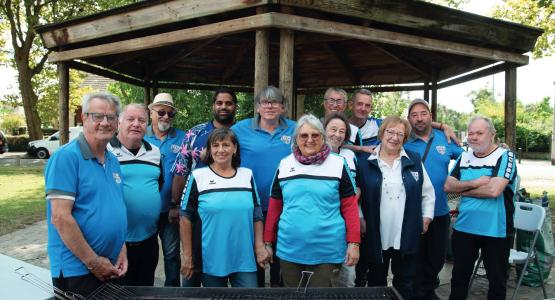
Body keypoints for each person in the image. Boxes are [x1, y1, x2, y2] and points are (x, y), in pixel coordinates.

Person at [45, 92, 127, 297]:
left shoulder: (112, 160)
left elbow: (115, 208)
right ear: (83, 118)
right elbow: (60, 218)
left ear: (117, 122)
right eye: (97, 116)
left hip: (110, 265)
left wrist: (121, 248)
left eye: (111, 117)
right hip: (79, 270)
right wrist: (93, 263)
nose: (105, 123)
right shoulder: (66, 157)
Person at [264, 114, 360, 287]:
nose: (310, 140)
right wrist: (267, 242)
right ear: (296, 139)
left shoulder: (338, 164)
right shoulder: (285, 165)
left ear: (323, 137)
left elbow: (350, 207)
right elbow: (274, 207)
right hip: (289, 249)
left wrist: (354, 243)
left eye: (315, 135)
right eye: (304, 135)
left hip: (327, 250)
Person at [357, 115, 435, 300]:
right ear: (382, 133)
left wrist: (426, 217)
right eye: (390, 132)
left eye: (400, 134)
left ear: (405, 138)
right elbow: (357, 199)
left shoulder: (414, 159)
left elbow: (428, 192)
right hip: (377, 234)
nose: (395, 137)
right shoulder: (366, 163)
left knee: (405, 283)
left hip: (406, 233)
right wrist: (360, 218)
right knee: (376, 282)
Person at [180, 128, 270, 287]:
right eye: (215, 145)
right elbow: (185, 217)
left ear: (234, 148)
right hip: (211, 260)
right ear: (209, 150)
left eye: (226, 145)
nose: (220, 150)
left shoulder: (247, 175)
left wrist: (259, 246)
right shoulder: (198, 176)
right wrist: (187, 256)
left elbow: (256, 215)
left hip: (244, 258)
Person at [445, 116, 517, 300]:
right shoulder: (464, 156)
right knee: (459, 279)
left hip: (495, 231)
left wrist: (464, 190)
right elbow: (448, 186)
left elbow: (494, 190)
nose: (474, 137)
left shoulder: (505, 156)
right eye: (471, 133)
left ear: (492, 135)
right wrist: (476, 182)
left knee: (497, 282)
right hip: (464, 228)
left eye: (479, 133)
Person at [171, 88, 237, 287]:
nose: (223, 107)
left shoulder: (241, 132)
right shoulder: (195, 133)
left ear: (235, 107)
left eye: (228, 103)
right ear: (213, 106)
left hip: (232, 209)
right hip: (197, 210)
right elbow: (181, 170)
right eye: (219, 103)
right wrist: (175, 205)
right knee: (193, 267)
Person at [231, 85, 295, 287]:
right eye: (265, 102)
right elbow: (218, 149)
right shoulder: (239, 129)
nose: (269, 105)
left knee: (281, 256)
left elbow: (324, 141)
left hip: (286, 205)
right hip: (251, 204)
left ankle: (280, 292)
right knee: (255, 257)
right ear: (257, 107)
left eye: (275, 101)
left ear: (283, 107)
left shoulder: (296, 128)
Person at [404, 99, 463, 300]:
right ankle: (419, 293)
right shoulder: (403, 139)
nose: (419, 118)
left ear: (430, 115)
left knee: (437, 258)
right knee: (415, 257)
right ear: (408, 119)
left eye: (423, 113)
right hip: (412, 212)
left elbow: (468, 160)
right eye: (414, 115)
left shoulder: (445, 139)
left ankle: (427, 289)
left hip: (440, 210)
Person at [107, 103, 162, 286]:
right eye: (130, 119)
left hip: (148, 239)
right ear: (119, 123)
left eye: (141, 120)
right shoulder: (106, 151)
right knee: (119, 291)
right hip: (117, 243)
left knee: (146, 287)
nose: (136, 124)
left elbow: (157, 184)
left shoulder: (154, 152)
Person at [144, 92, 186, 287]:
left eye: (170, 114)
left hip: (171, 208)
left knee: (171, 254)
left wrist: (176, 205)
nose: (166, 117)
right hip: (145, 210)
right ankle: (144, 290)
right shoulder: (139, 136)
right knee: (146, 254)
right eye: (161, 112)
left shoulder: (183, 137)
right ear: (151, 112)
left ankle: (172, 292)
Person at [323, 113, 361, 288]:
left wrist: (354, 197)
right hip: (324, 224)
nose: (337, 134)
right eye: (333, 129)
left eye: (341, 131)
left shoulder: (349, 156)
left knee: (347, 279)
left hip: (347, 223)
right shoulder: (313, 156)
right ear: (323, 131)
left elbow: (359, 185)